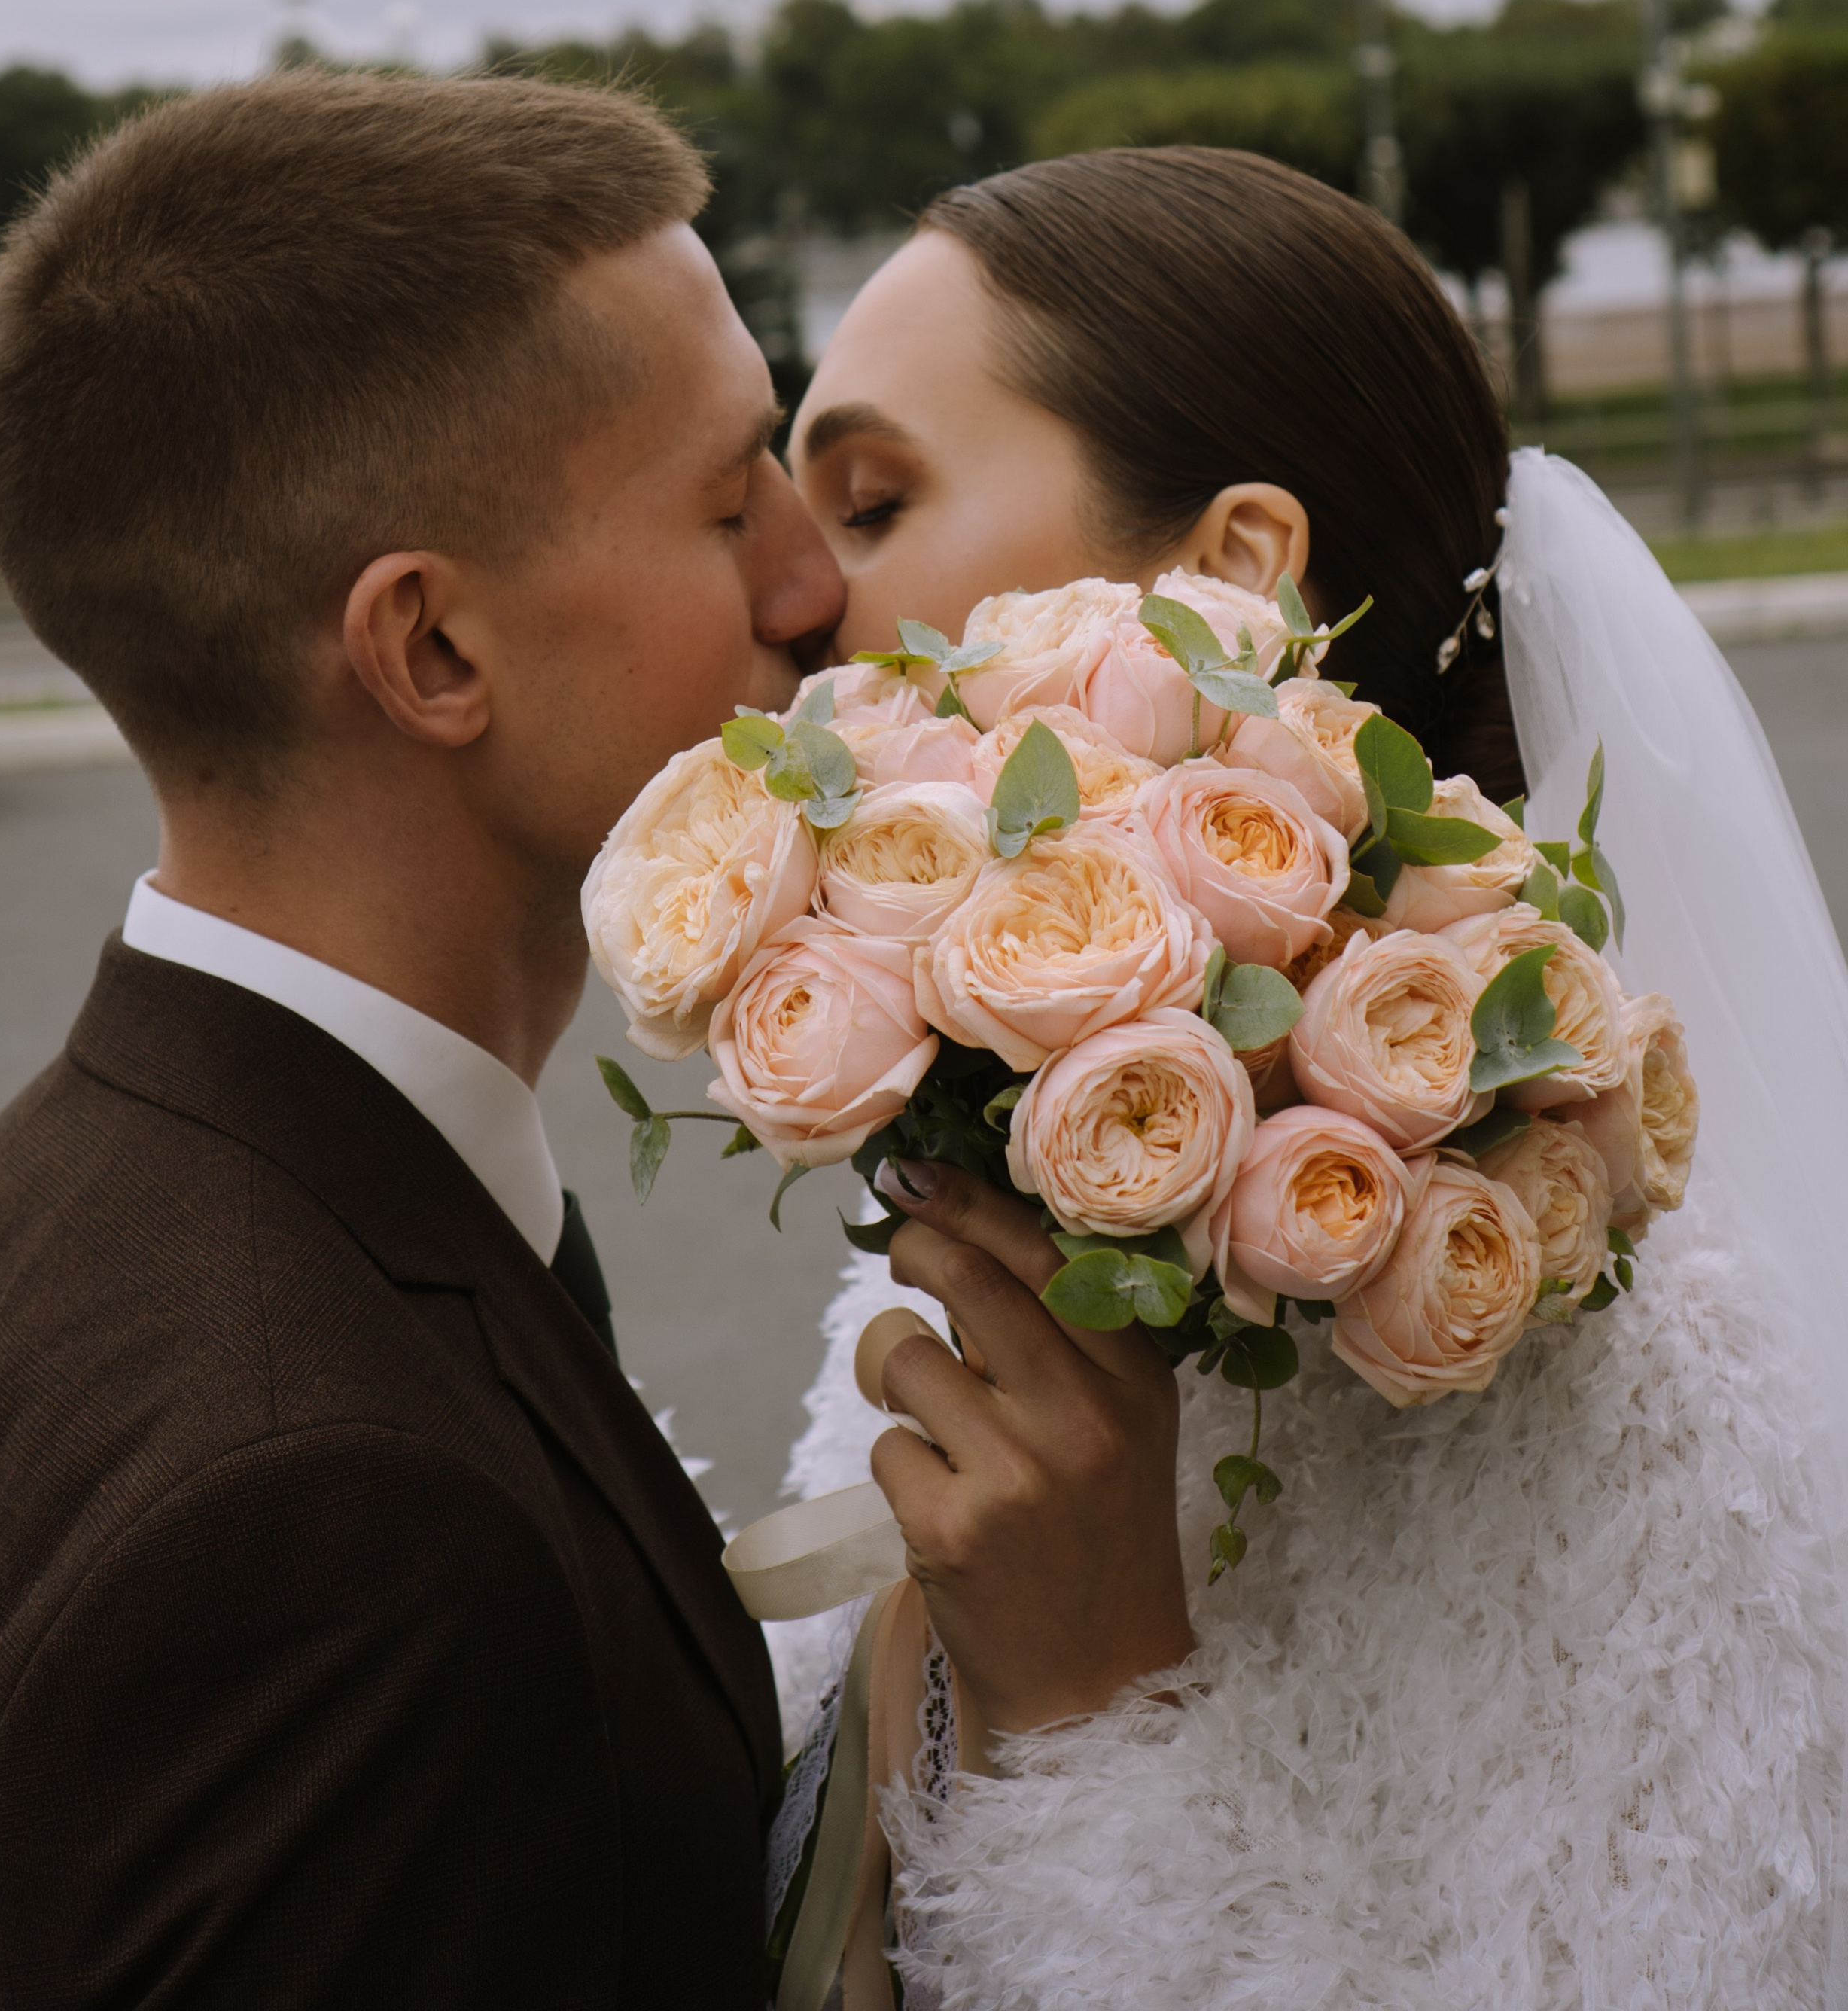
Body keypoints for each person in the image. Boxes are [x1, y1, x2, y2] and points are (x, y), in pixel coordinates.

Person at [0, 78, 1190, 2009]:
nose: (808, 586)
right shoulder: (325, 1518)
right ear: (430, 651)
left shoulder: (53, 1189)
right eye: (722, 499)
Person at [778, 146, 1848, 2009]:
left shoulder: (1650, 1416)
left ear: (1231, 575)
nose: (793, 597)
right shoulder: (968, 1220)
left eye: (869, 499)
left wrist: (1087, 1702)